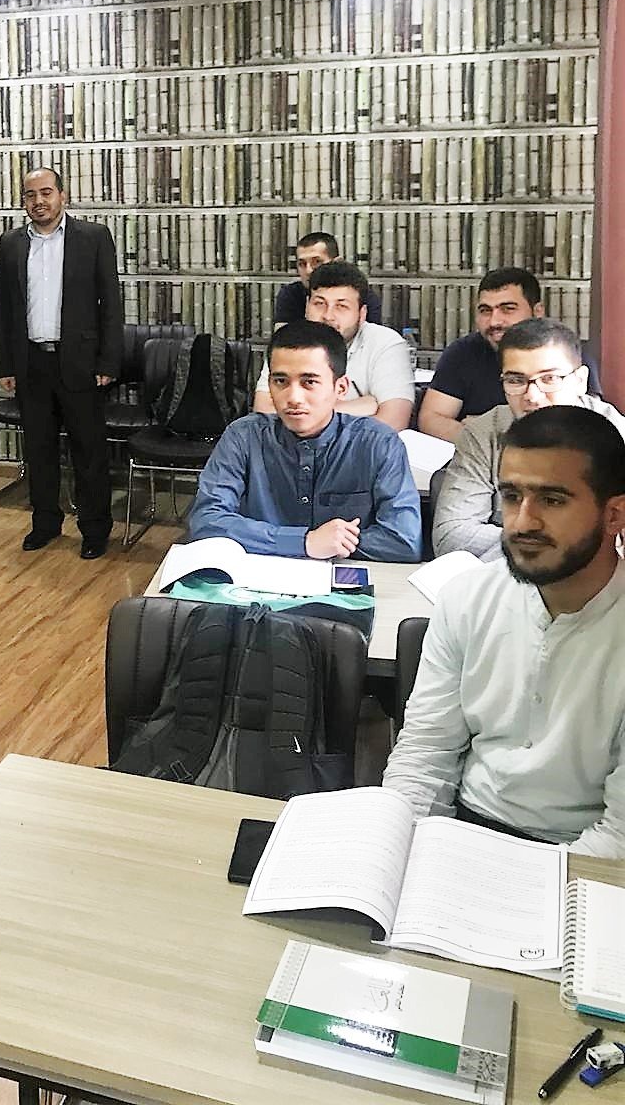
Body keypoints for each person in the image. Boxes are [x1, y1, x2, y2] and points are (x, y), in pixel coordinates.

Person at [385, 405, 625, 856]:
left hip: (582, 855)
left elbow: (620, 836)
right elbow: (423, 760)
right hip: (463, 830)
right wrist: (403, 853)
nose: (522, 522)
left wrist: (512, 881)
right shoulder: (468, 596)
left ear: (614, 515)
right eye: (512, 496)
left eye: (552, 500)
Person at [188, 319, 421, 560]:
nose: (294, 398)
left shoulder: (378, 444)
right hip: (259, 576)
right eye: (280, 381)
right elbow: (206, 521)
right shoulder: (243, 437)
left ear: (340, 388)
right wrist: (305, 542)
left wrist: (332, 542)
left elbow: (403, 540)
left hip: (343, 577)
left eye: (309, 382)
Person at [0, 165, 123, 559]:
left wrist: (108, 361)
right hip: (31, 363)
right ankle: (45, 523)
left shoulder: (93, 237)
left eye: (46, 192)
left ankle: (95, 529)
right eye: (30, 195)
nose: (39, 201)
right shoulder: (11, 243)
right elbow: (3, 308)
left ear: (62, 196)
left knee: (89, 451)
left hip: (80, 363)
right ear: (23, 201)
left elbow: (111, 304)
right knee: (39, 450)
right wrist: (5, 365)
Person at [432, 319, 625, 559]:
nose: (532, 396)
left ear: (580, 381)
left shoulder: (619, 436)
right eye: (516, 381)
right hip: (509, 578)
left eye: (549, 379)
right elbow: (451, 536)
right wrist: (569, 543)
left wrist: (527, 541)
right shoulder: (484, 433)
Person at [254, 261, 413, 431]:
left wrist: (300, 414)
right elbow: (263, 413)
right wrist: (359, 406)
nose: (328, 316)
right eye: (319, 304)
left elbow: (393, 423)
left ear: (362, 314)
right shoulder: (288, 342)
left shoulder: (385, 343)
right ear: (307, 306)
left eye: (341, 306)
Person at [418, 266, 543, 442]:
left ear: (537, 312)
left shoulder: (560, 353)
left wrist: (484, 428)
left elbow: (571, 425)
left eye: (508, 309)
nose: (494, 322)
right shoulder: (463, 353)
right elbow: (431, 419)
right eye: (486, 310)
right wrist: (482, 438)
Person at [274, 230, 382, 327]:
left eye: (317, 262)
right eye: (302, 264)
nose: (308, 270)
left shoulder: (361, 296)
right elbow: (282, 339)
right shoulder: (290, 294)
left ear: (337, 262)